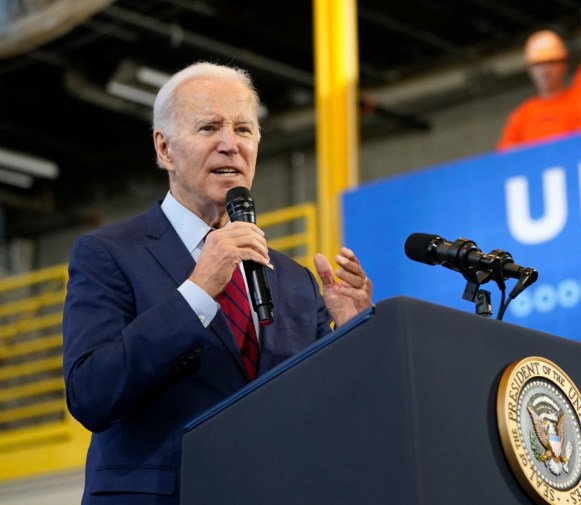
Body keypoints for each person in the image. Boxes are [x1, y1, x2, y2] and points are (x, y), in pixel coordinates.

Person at [62, 62, 373, 504]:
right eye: (209, 127)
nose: (230, 145)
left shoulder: (295, 281)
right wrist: (196, 292)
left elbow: (330, 418)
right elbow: (91, 393)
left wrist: (352, 339)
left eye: (244, 129)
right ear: (164, 148)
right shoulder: (108, 254)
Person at [497, 30, 581, 149]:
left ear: (564, 65)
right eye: (538, 64)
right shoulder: (521, 117)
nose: (545, 70)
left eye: (551, 62)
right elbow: (506, 158)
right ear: (530, 70)